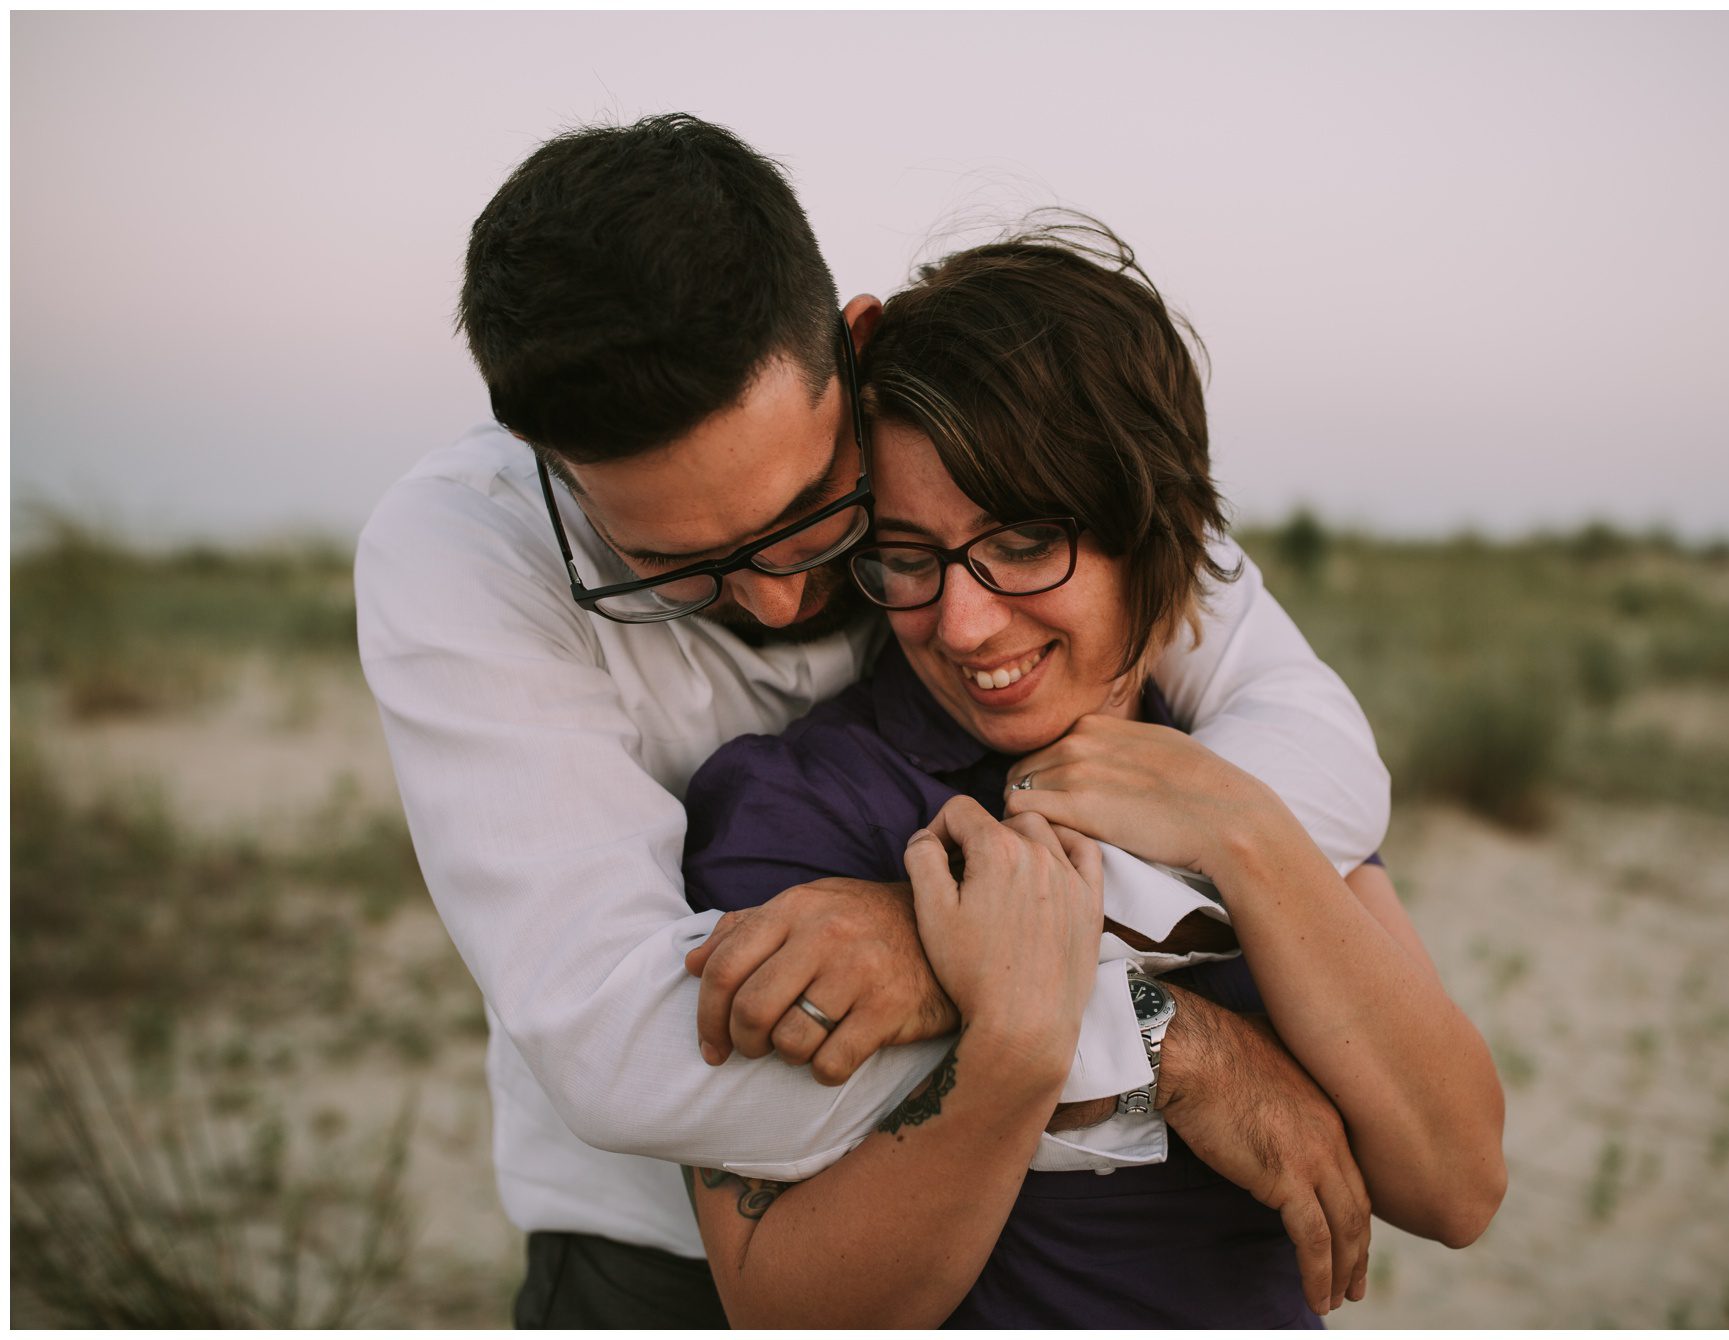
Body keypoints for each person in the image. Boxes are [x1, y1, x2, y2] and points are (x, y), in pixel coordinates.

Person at [355, 114, 1394, 1327]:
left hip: (1004, 1226)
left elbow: (1312, 756)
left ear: (854, 349)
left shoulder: (976, 454)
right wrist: (1147, 1032)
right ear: (547, 466)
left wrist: (929, 937)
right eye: (667, 564)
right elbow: (620, 1047)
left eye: (812, 513)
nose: (778, 592)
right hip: (651, 1258)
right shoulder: (459, 552)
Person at [674, 223, 1506, 1327]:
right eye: (908, 556)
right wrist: (1159, 1036)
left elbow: (1453, 1182)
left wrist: (1240, 829)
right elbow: (786, 1306)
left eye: (1022, 543)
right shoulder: (806, 802)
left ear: (1151, 529)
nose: (962, 624)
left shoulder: (1233, 756)